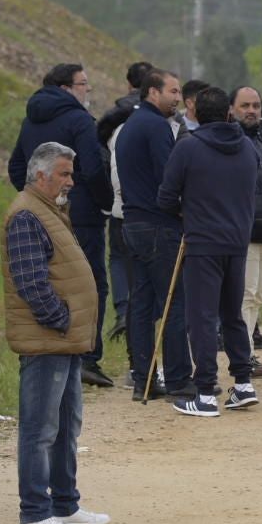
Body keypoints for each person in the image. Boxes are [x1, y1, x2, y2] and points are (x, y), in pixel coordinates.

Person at [2, 141, 110, 524]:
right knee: (40, 429)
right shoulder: (27, 215)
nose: (71, 181)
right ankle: (34, 514)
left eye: (71, 172)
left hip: (65, 341)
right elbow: (31, 282)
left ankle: (65, 505)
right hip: (48, 340)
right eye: (64, 174)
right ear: (41, 176)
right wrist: (62, 320)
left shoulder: (49, 210)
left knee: (67, 426)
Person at [8, 63, 115, 388]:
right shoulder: (80, 120)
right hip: (82, 213)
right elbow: (94, 167)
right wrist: (104, 201)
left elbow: (15, 166)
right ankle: (87, 357)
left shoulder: (30, 120)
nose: (87, 91)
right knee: (90, 282)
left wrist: (34, 197)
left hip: (42, 212)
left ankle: (59, 351)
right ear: (66, 87)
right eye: (84, 84)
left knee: (50, 280)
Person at [157, 86, 260, 416]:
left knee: (201, 318)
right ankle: (243, 383)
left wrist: (187, 212)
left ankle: (204, 393)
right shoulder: (247, 147)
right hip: (237, 241)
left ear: (197, 114)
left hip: (202, 242)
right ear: (229, 112)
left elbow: (165, 198)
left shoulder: (189, 147)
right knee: (233, 315)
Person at [116, 68, 192, 401]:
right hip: (160, 225)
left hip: (132, 223)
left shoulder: (130, 125)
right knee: (174, 301)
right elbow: (169, 179)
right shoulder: (156, 126)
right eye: (173, 92)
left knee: (142, 304)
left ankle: (142, 378)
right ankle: (178, 379)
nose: (178, 98)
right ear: (152, 93)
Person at [97, 61, 154, 342]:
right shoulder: (158, 118)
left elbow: (103, 158)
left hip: (117, 203)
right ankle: (139, 317)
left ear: (128, 85)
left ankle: (123, 309)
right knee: (144, 264)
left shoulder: (114, 118)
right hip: (149, 209)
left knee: (118, 257)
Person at [232, 86, 262, 378]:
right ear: (232, 109)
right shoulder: (232, 141)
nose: (251, 111)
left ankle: (248, 351)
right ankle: (243, 355)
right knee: (246, 294)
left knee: (259, 294)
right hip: (244, 229)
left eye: (256, 106)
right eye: (245, 105)